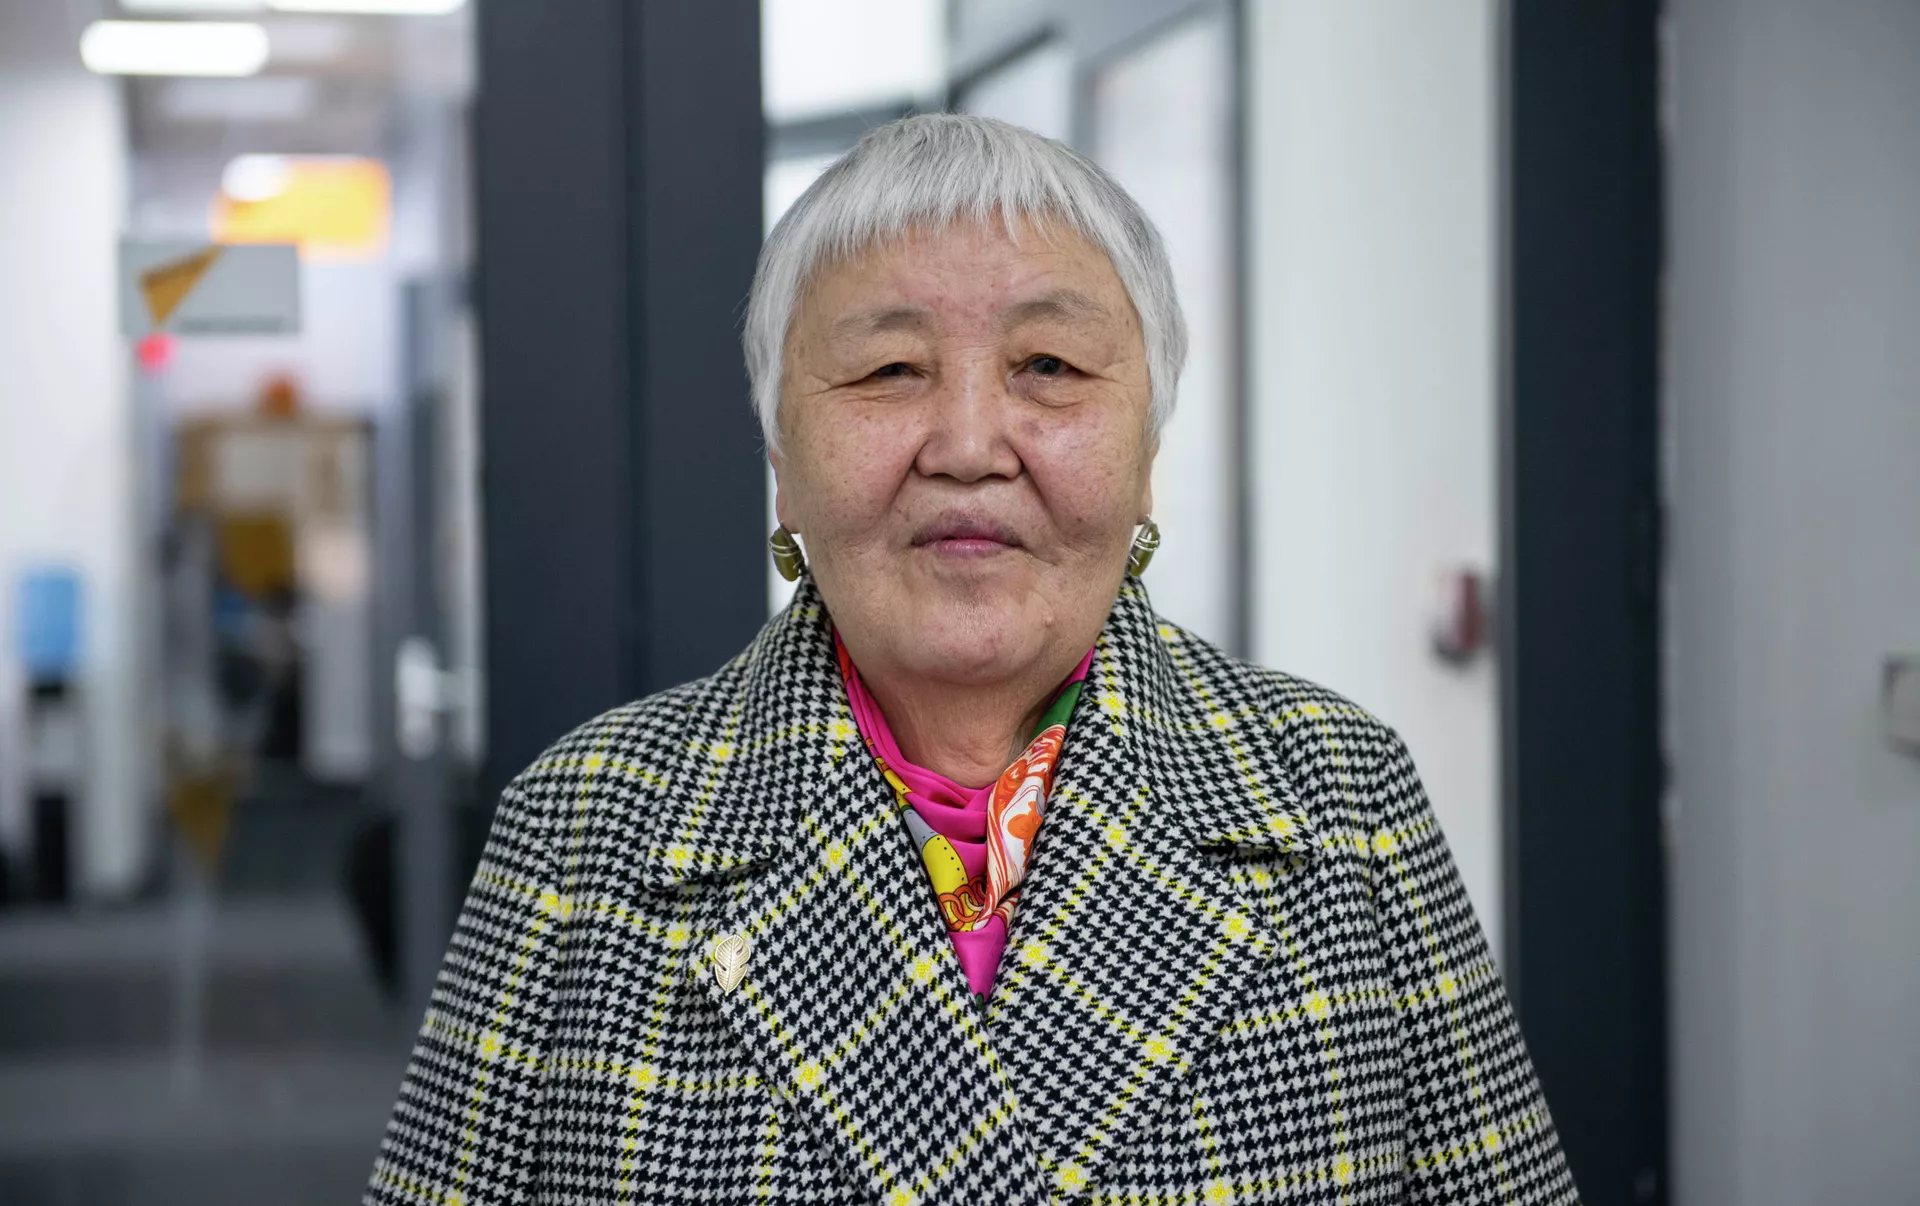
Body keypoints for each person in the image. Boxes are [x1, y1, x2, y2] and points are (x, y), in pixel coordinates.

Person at [365, 114, 1577, 1205]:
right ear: (782, 464)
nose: (967, 442)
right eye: (889, 371)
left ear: (1148, 453)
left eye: (1049, 367)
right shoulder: (585, 823)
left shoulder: (1340, 792)